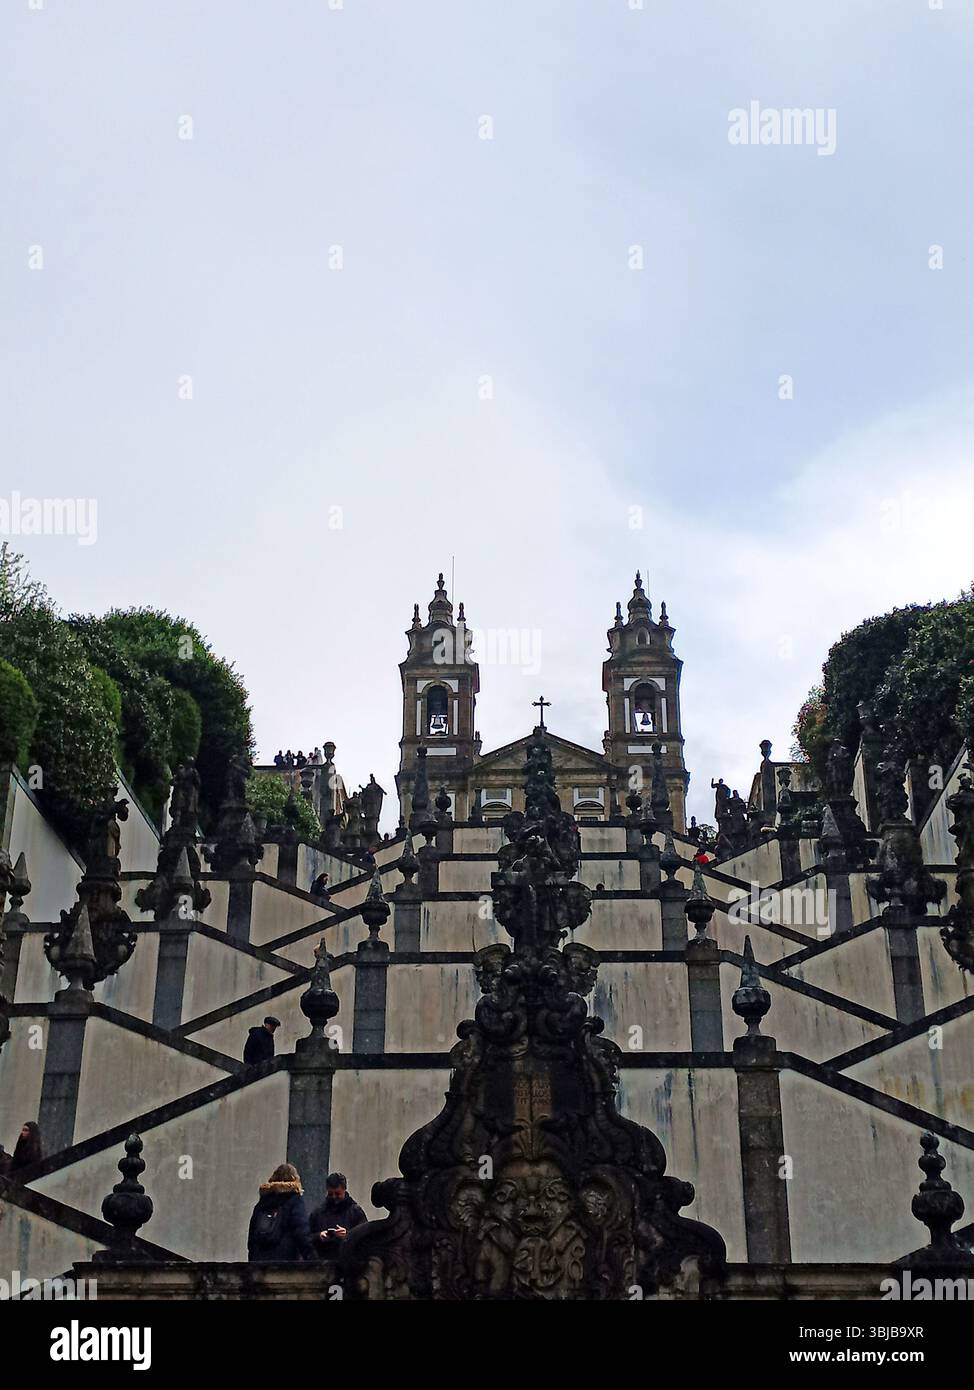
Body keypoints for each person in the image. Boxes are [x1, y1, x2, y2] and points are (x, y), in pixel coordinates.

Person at [247, 1163, 314, 1262]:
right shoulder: (294, 1200)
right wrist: (311, 1257)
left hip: (260, 1261)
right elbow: (301, 1232)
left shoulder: (262, 1202)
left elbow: (252, 1236)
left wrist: (252, 1260)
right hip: (285, 1262)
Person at [308, 1172, 367, 1258]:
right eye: (330, 1194)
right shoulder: (318, 1213)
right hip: (322, 1263)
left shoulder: (356, 1212)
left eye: (337, 1194)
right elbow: (306, 1237)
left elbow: (365, 1238)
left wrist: (348, 1235)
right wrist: (318, 1236)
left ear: (344, 1190)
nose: (334, 1197)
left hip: (347, 1264)